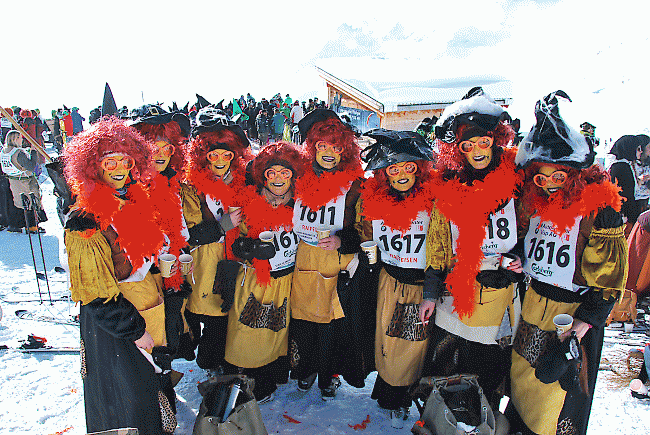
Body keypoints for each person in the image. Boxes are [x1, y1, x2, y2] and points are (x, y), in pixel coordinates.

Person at [507, 91, 627, 435]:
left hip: (570, 316)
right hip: (533, 305)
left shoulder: (598, 211)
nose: (548, 186)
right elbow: (527, 245)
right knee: (524, 384)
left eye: (557, 177)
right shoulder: (534, 202)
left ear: (573, 173)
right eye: (540, 178)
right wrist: (518, 259)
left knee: (554, 400)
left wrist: (581, 326)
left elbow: (610, 283)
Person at [63, 117, 175, 435]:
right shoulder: (83, 222)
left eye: (123, 160)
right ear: (91, 167)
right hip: (112, 328)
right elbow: (97, 295)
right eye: (108, 161)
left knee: (145, 393)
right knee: (125, 403)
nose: (117, 168)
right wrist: (134, 330)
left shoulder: (131, 200)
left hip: (137, 312)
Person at [418, 87, 523, 413]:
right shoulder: (446, 189)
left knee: (489, 377)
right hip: (456, 300)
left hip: (499, 299)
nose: (476, 150)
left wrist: (518, 260)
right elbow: (438, 247)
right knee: (448, 372)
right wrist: (430, 295)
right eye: (467, 145)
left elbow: (530, 231)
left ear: (495, 141)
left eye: (483, 142)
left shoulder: (515, 182)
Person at [357, 128, 436, 428]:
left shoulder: (434, 200)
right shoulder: (376, 201)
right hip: (388, 281)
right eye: (393, 168)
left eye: (408, 167)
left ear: (419, 169)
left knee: (413, 345)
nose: (401, 174)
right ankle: (389, 395)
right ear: (385, 173)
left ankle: (404, 398)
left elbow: (443, 243)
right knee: (387, 341)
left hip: (420, 286)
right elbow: (367, 235)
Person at [290, 109, 365, 400]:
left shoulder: (356, 184)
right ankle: (305, 369)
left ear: (345, 149)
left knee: (334, 326)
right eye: (322, 146)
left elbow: (366, 228)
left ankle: (328, 376)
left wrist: (342, 240)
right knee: (305, 322)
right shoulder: (299, 178)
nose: (329, 153)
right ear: (313, 148)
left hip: (338, 263)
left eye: (336, 147)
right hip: (305, 261)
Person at [223, 141, 303, 402]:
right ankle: (241, 382)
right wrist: (249, 247)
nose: (278, 179)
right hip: (254, 280)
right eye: (272, 173)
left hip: (287, 280)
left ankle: (268, 381)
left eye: (285, 173)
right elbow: (229, 237)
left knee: (276, 333)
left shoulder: (303, 204)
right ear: (263, 176)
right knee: (247, 331)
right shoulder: (247, 201)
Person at [130, 104, 193, 412]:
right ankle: (153, 400)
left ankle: (164, 385)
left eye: (166, 148)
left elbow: (178, 224)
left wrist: (182, 251)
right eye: (150, 148)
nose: (159, 153)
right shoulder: (128, 186)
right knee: (148, 338)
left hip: (165, 271)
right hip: (139, 277)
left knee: (167, 332)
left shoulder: (171, 185)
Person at [182, 107, 249, 372]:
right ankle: (209, 362)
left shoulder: (240, 182)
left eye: (226, 154)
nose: (220, 160)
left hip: (232, 258)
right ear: (203, 156)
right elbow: (190, 234)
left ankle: (219, 359)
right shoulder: (191, 186)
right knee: (211, 313)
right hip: (204, 264)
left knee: (226, 313)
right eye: (214, 155)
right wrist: (225, 224)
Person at [0, 130, 47, 233]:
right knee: (31, 202)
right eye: (20, 137)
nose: (22, 139)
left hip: (13, 181)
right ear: (15, 139)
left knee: (19, 203)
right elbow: (31, 166)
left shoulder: (4, 151)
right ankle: (32, 227)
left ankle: (18, 225)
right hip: (25, 181)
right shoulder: (18, 153)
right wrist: (34, 152)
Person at [608, 134, 650, 236]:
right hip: (625, 219)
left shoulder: (621, 165)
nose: (640, 151)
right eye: (638, 148)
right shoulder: (622, 167)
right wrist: (631, 219)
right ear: (630, 148)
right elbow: (626, 195)